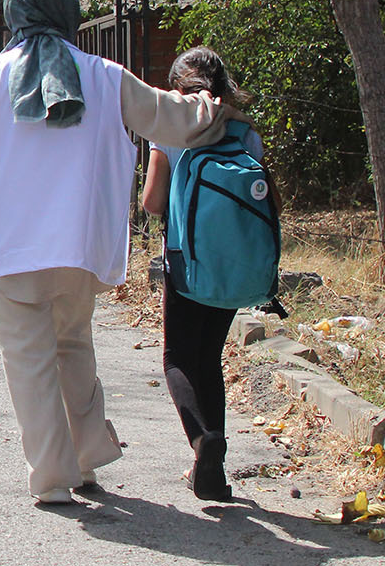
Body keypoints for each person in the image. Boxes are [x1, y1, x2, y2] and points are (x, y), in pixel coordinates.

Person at [0, 0, 241, 506]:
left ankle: (54, 476)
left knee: (29, 362)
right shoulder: (104, 75)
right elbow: (170, 120)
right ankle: (86, 461)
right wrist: (214, 108)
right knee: (73, 346)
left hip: (16, 251)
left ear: (13, 17)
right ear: (67, 13)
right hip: (79, 247)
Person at [139, 47, 262, 502]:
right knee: (209, 357)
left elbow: (153, 202)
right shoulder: (243, 128)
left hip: (185, 260)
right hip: (233, 264)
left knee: (176, 358)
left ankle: (202, 439)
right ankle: (212, 472)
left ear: (176, 90)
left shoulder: (170, 129)